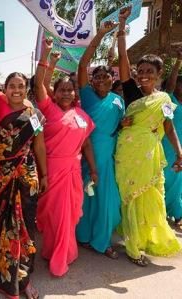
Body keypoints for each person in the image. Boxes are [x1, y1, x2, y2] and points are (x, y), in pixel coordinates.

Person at [0, 26, 47, 299]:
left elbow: (39, 145)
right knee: (0, 222)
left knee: (25, 223)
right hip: (0, 174)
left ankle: (24, 276)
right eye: (12, 86)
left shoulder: (34, 113)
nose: (16, 90)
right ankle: (5, 264)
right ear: (4, 88)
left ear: (26, 88)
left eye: (21, 85)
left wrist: (45, 175)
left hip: (26, 174)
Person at [115, 6, 182, 266]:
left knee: (152, 196)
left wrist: (178, 151)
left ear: (158, 76)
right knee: (130, 197)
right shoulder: (130, 90)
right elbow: (123, 58)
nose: (143, 76)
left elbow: (168, 127)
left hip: (151, 155)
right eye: (140, 71)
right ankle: (133, 246)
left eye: (149, 73)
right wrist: (121, 29)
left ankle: (148, 239)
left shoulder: (163, 99)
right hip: (128, 154)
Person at [34, 38, 97, 277]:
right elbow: (40, 83)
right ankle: (58, 258)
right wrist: (47, 54)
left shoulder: (82, 115)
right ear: (55, 93)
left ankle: (62, 252)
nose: (67, 93)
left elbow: (87, 144)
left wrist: (93, 170)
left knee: (68, 217)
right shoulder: (48, 109)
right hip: (52, 170)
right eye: (62, 90)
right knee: (55, 216)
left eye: (71, 89)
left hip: (73, 172)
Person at [75, 21, 124, 259]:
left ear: (111, 79)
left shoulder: (118, 100)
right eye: (98, 76)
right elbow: (83, 64)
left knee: (108, 203)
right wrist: (102, 33)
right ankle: (84, 237)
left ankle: (102, 240)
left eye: (106, 76)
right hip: (88, 156)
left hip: (109, 159)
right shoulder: (87, 95)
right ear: (92, 81)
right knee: (87, 199)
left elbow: (120, 127)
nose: (102, 79)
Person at [163, 48, 182, 226]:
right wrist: (178, 62)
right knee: (164, 179)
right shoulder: (169, 101)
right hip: (166, 146)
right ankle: (161, 212)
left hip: (180, 148)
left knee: (177, 182)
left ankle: (177, 214)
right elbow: (169, 85)